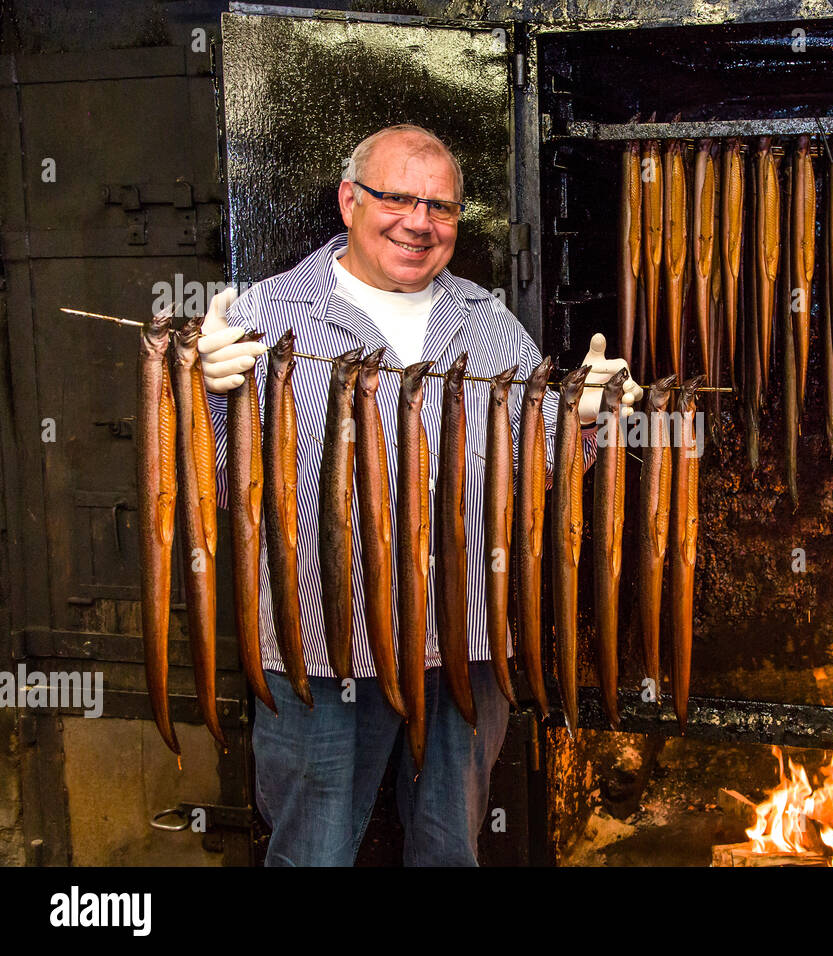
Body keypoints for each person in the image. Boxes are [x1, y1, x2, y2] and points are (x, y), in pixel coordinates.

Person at [201, 123, 641, 866]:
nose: (419, 222)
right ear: (349, 201)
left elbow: (538, 467)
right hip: (320, 650)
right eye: (398, 198)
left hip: (465, 644)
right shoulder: (264, 316)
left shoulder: (489, 320)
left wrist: (587, 417)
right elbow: (217, 484)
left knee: (449, 851)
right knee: (312, 853)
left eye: (440, 207)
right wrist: (207, 397)